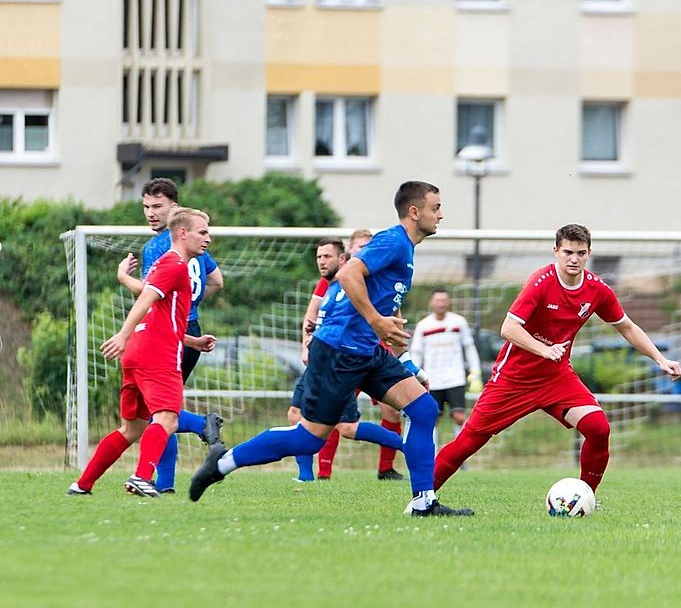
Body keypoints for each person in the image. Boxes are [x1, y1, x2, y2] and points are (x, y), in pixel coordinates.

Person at [190, 181, 474, 516]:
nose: (440, 214)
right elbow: (349, 272)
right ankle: (221, 462)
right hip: (339, 350)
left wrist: (387, 328)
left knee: (424, 408)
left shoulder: (405, 247)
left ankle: (423, 503)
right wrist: (376, 320)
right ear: (415, 212)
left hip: (366, 350)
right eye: (435, 207)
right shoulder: (393, 241)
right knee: (309, 439)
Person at [433, 224, 681, 495]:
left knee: (598, 428)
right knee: (469, 441)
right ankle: (422, 498)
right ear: (556, 252)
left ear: (588, 254)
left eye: (580, 253)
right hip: (514, 379)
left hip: (556, 378)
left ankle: (584, 497)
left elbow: (627, 327)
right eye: (568, 252)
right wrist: (544, 349)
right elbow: (509, 328)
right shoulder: (541, 282)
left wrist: (660, 359)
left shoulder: (597, 289)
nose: (574, 259)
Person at [67, 208, 217, 497]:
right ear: (182, 233)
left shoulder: (164, 263)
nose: (207, 238)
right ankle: (141, 476)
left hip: (138, 352)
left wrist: (191, 341)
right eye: (203, 232)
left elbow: (160, 316)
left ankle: (82, 484)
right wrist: (122, 333)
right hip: (157, 356)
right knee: (167, 419)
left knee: (131, 428)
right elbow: (146, 299)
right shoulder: (174, 265)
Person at [115, 177, 224, 494]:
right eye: (146, 207)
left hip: (170, 335)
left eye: (157, 207)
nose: (150, 213)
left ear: (174, 208)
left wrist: (124, 277)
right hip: (189, 331)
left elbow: (149, 293)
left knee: (161, 413)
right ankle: (164, 484)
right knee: (162, 412)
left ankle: (201, 426)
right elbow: (216, 281)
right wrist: (190, 302)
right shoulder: (195, 243)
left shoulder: (161, 245)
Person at [287, 233, 405, 482]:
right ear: (350, 252)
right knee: (297, 415)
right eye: (319, 256)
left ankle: (395, 458)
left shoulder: (376, 278)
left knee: (361, 422)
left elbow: (392, 316)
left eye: (326, 256)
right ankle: (314, 475)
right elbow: (313, 315)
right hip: (332, 355)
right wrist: (306, 345)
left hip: (361, 357)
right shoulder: (333, 279)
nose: (321, 260)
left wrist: (401, 355)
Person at [409, 287, 483, 447]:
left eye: (443, 300)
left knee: (459, 417)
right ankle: (434, 459)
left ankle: (460, 456)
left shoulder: (458, 322)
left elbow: (469, 348)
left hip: (455, 378)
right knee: (432, 420)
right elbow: (416, 353)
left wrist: (475, 373)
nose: (440, 304)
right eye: (437, 301)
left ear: (448, 302)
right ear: (431, 303)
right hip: (432, 380)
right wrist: (415, 376)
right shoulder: (424, 326)